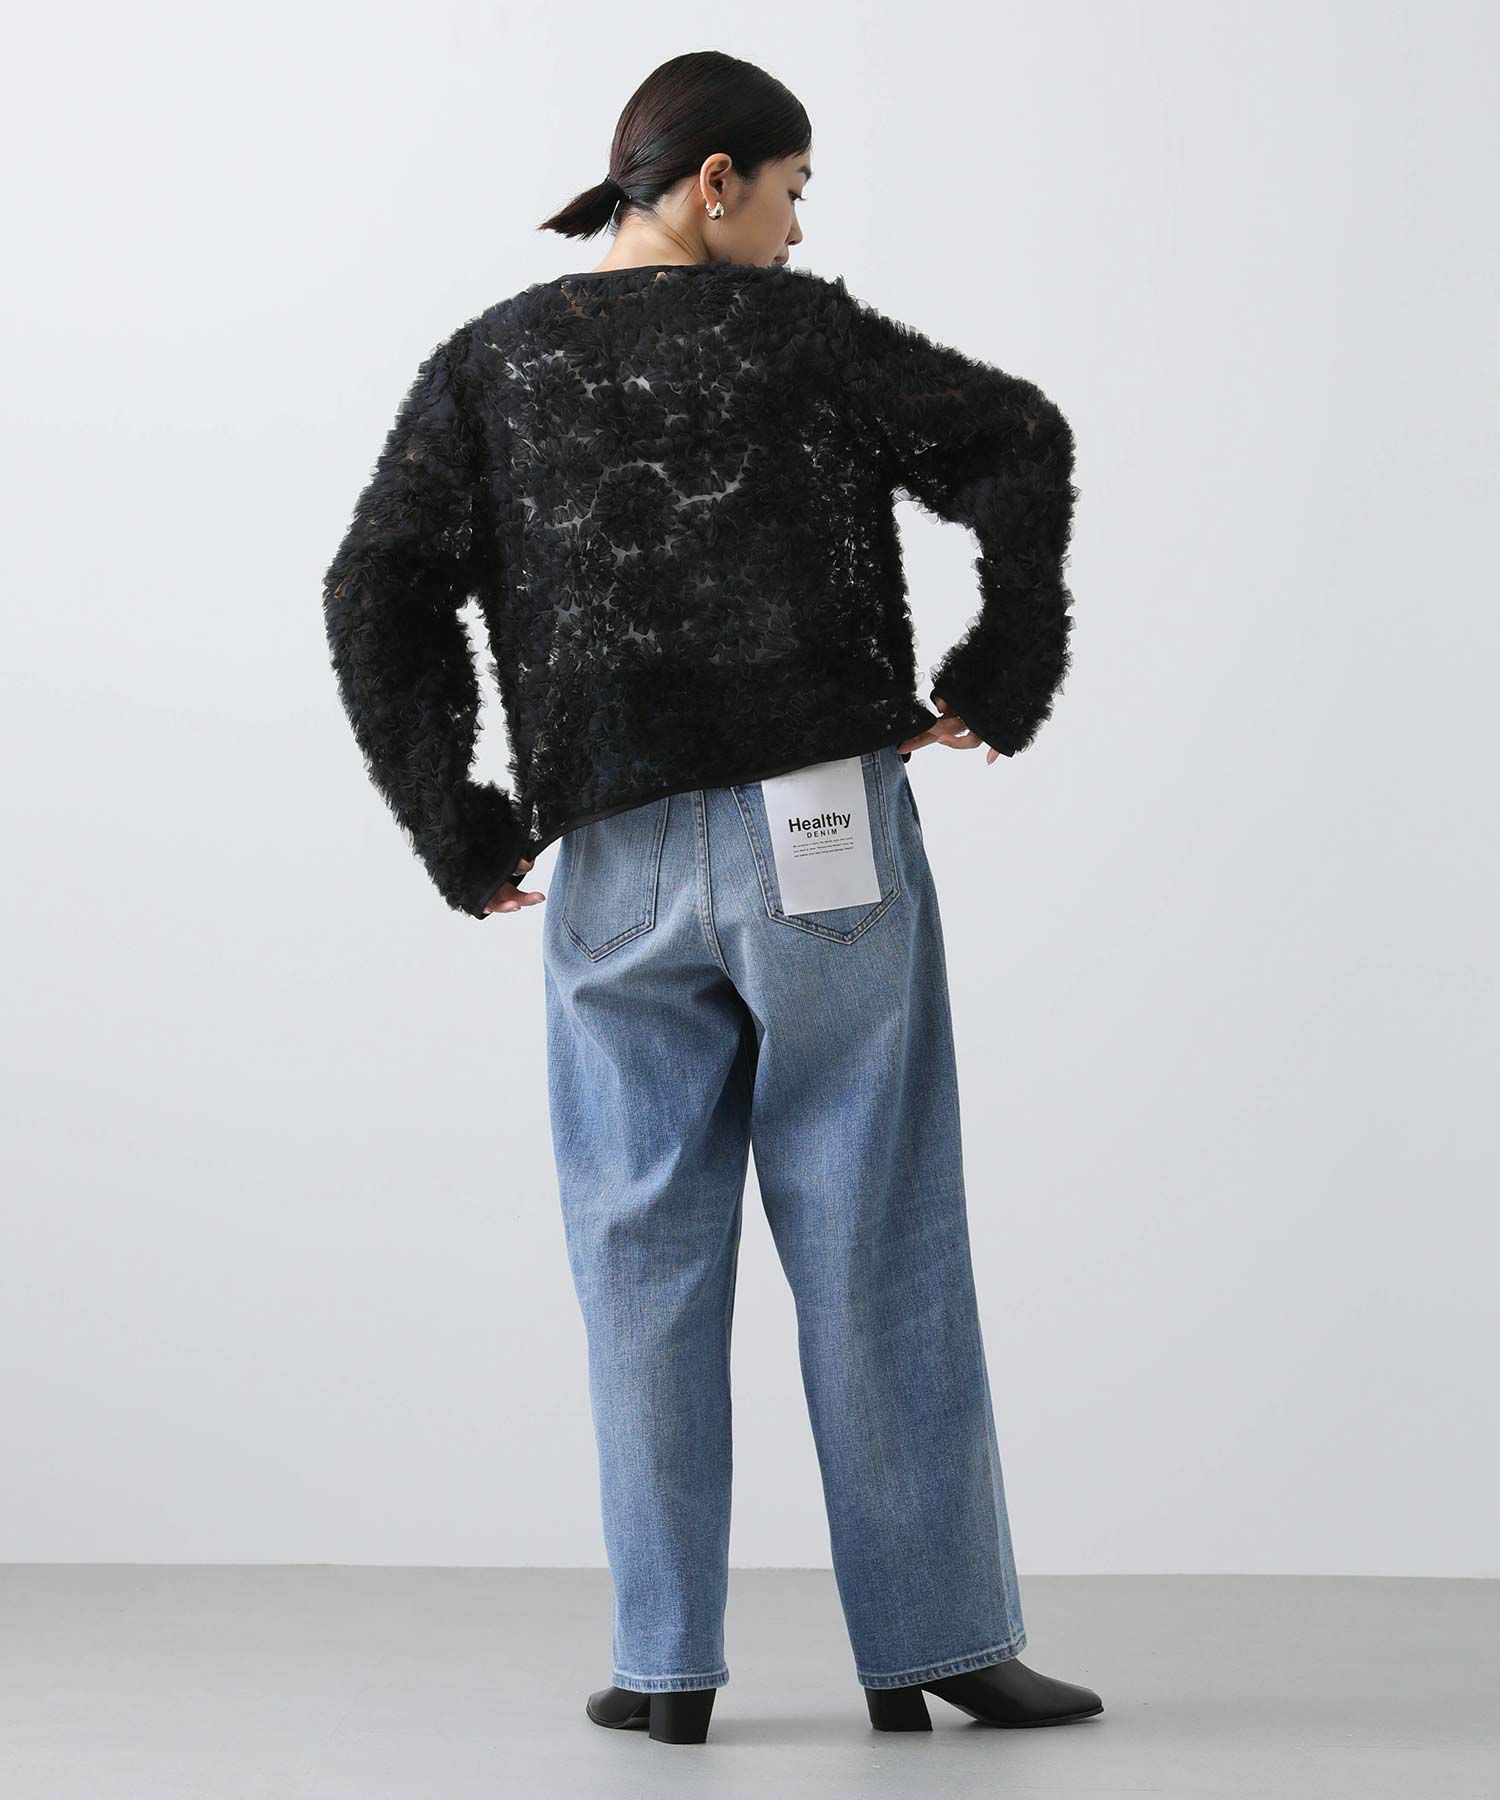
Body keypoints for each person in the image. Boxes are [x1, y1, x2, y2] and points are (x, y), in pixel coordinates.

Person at [322, 49, 1103, 1748]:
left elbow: (374, 586)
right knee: (875, 1228)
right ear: (716, 182)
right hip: (820, 829)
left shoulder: (492, 365)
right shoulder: (799, 336)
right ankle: (937, 1644)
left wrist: (459, 822)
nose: (802, 230)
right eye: (794, 191)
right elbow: (1017, 441)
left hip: (611, 861)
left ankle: (665, 1668)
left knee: (642, 1259)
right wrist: (1004, 667)